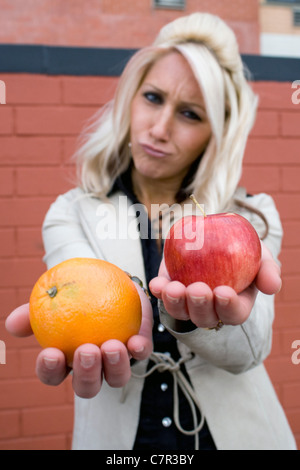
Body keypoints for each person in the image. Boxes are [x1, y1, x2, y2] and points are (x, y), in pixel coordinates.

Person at [6, 12, 296, 450]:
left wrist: (189, 318)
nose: (159, 130)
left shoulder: (253, 217)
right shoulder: (72, 212)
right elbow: (71, 296)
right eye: (153, 97)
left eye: (189, 114)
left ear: (215, 132)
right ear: (130, 100)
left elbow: (249, 353)